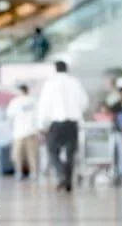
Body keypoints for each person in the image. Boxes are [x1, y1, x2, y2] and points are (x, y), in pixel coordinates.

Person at [36, 61, 89, 192]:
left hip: (56, 123)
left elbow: (44, 106)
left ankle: (61, 174)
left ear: (55, 69)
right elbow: (84, 102)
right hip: (72, 123)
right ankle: (68, 180)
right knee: (71, 153)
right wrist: (77, 112)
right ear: (67, 69)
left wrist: (42, 125)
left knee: (52, 151)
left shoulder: (50, 84)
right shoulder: (75, 82)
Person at [6, 84, 40, 180]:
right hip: (31, 131)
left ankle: (19, 172)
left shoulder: (15, 102)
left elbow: (9, 116)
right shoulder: (34, 101)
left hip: (19, 133)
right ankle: (32, 173)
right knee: (31, 154)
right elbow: (38, 117)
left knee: (18, 154)